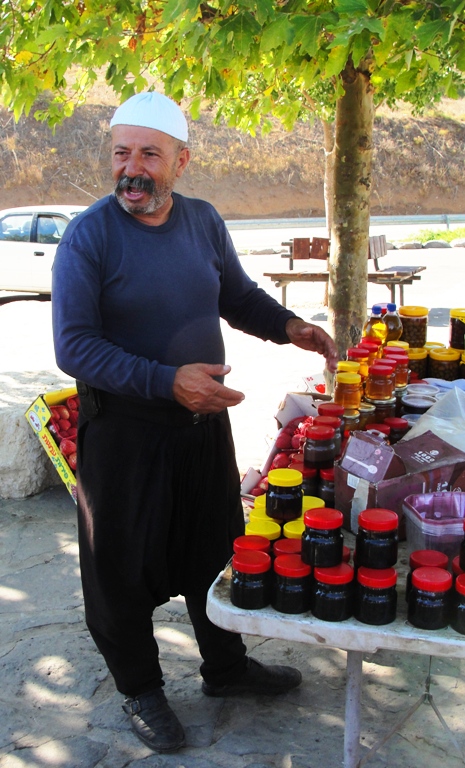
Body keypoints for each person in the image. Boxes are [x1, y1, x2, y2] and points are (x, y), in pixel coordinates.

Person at [52, 91, 339, 754]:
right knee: (119, 569)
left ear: (180, 161)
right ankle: (140, 689)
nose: (133, 167)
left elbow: (235, 295)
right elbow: (76, 346)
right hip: (125, 435)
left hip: (201, 428)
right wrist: (165, 381)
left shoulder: (203, 221)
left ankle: (227, 669)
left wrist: (288, 327)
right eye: (121, 152)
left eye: (149, 154)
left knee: (215, 551)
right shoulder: (89, 235)